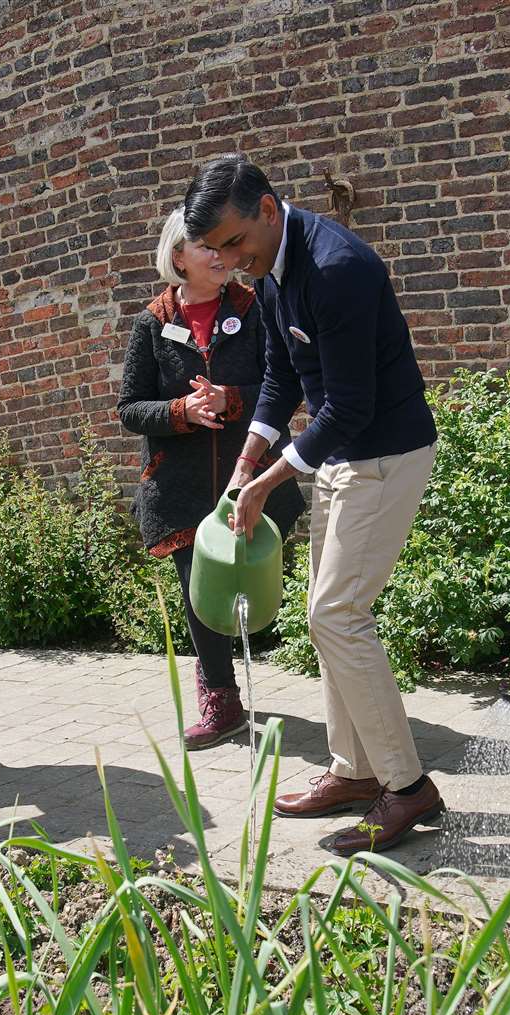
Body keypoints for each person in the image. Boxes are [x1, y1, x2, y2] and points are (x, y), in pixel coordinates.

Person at [184, 155, 443, 856]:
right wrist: (248, 459)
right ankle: (354, 771)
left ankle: (407, 787)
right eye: (218, 252)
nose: (232, 262)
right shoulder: (271, 274)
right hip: (343, 458)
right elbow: (281, 374)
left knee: (336, 612)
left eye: (237, 243)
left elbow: (354, 404)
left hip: (385, 455)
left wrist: (272, 479)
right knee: (327, 617)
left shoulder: (338, 270)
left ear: (270, 209)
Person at [117, 208, 305, 749]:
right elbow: (130, 409)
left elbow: (280, 381)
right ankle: (220, 702)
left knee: (255, 586)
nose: (221, 257)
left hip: (253, 478)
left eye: (223, 248)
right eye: (206, 248)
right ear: (178, 257)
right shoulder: (152, 322)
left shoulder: (254, 306)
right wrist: (181, 411)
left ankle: (294, 667)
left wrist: (231, 400)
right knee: (199, 594)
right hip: (180, 487)